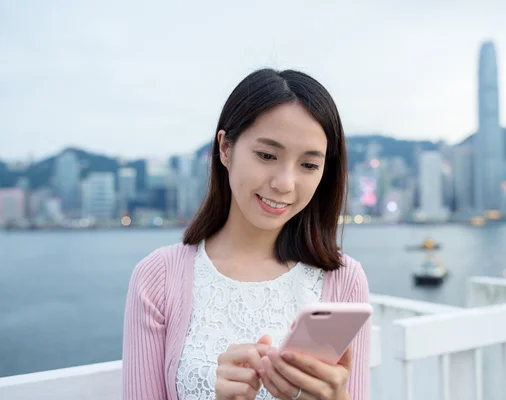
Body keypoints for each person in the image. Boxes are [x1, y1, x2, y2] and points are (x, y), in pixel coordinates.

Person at [122, 68, 371, 400]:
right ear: (225, 149)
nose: (284, 183)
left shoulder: (344, 279)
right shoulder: (158, 278)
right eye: (267, 155)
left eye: (309, 165)